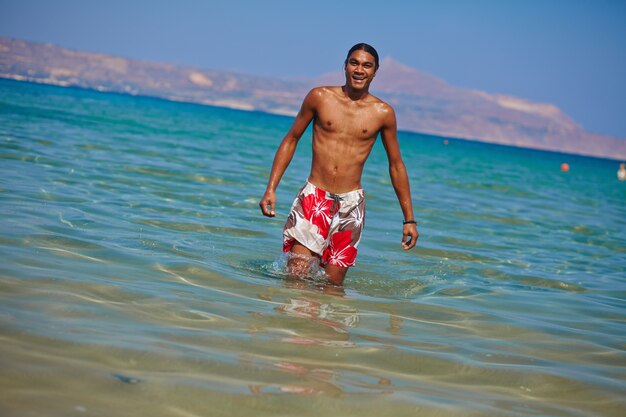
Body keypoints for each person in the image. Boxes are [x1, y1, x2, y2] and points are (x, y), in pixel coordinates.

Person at [259, 43, 418, 285]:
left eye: (367, 65)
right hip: (314, 199)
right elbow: (291, 139)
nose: (359, 70)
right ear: (345, 66)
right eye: (354, 63)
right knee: (296, 278)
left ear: (375, 72)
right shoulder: (320, 97)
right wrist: (271, 188)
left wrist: (409, 219)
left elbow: (396, 165)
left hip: (351, 206)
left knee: (332, 286)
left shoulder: (382, 112)